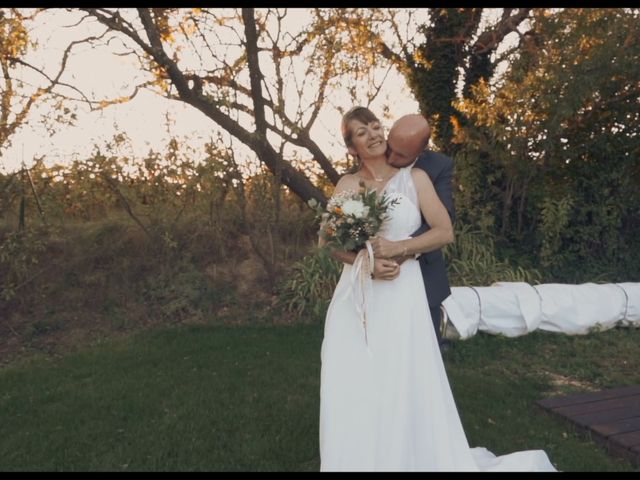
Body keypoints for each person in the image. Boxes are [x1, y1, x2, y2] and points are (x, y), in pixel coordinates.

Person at [318, 106, 556, 471]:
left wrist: (399, 249)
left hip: (403, 291)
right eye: (361, 132)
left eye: (375, 125)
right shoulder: (348, 186)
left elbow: (444, 231)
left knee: (401, 377)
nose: (373, 134)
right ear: (352, 147)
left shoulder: (415, 179)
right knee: (356, 378)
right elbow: (332, 244)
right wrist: (366, 262)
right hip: (360, 295)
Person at [382, 114, 455, 351]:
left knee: (425, 352)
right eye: (389, 148)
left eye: (401, 155)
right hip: (377, 274)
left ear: (421, 151)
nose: (391, 158)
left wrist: (402, 250)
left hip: (423, 271)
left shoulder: (439, 166)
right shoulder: (374, 156)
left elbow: (446, 220)